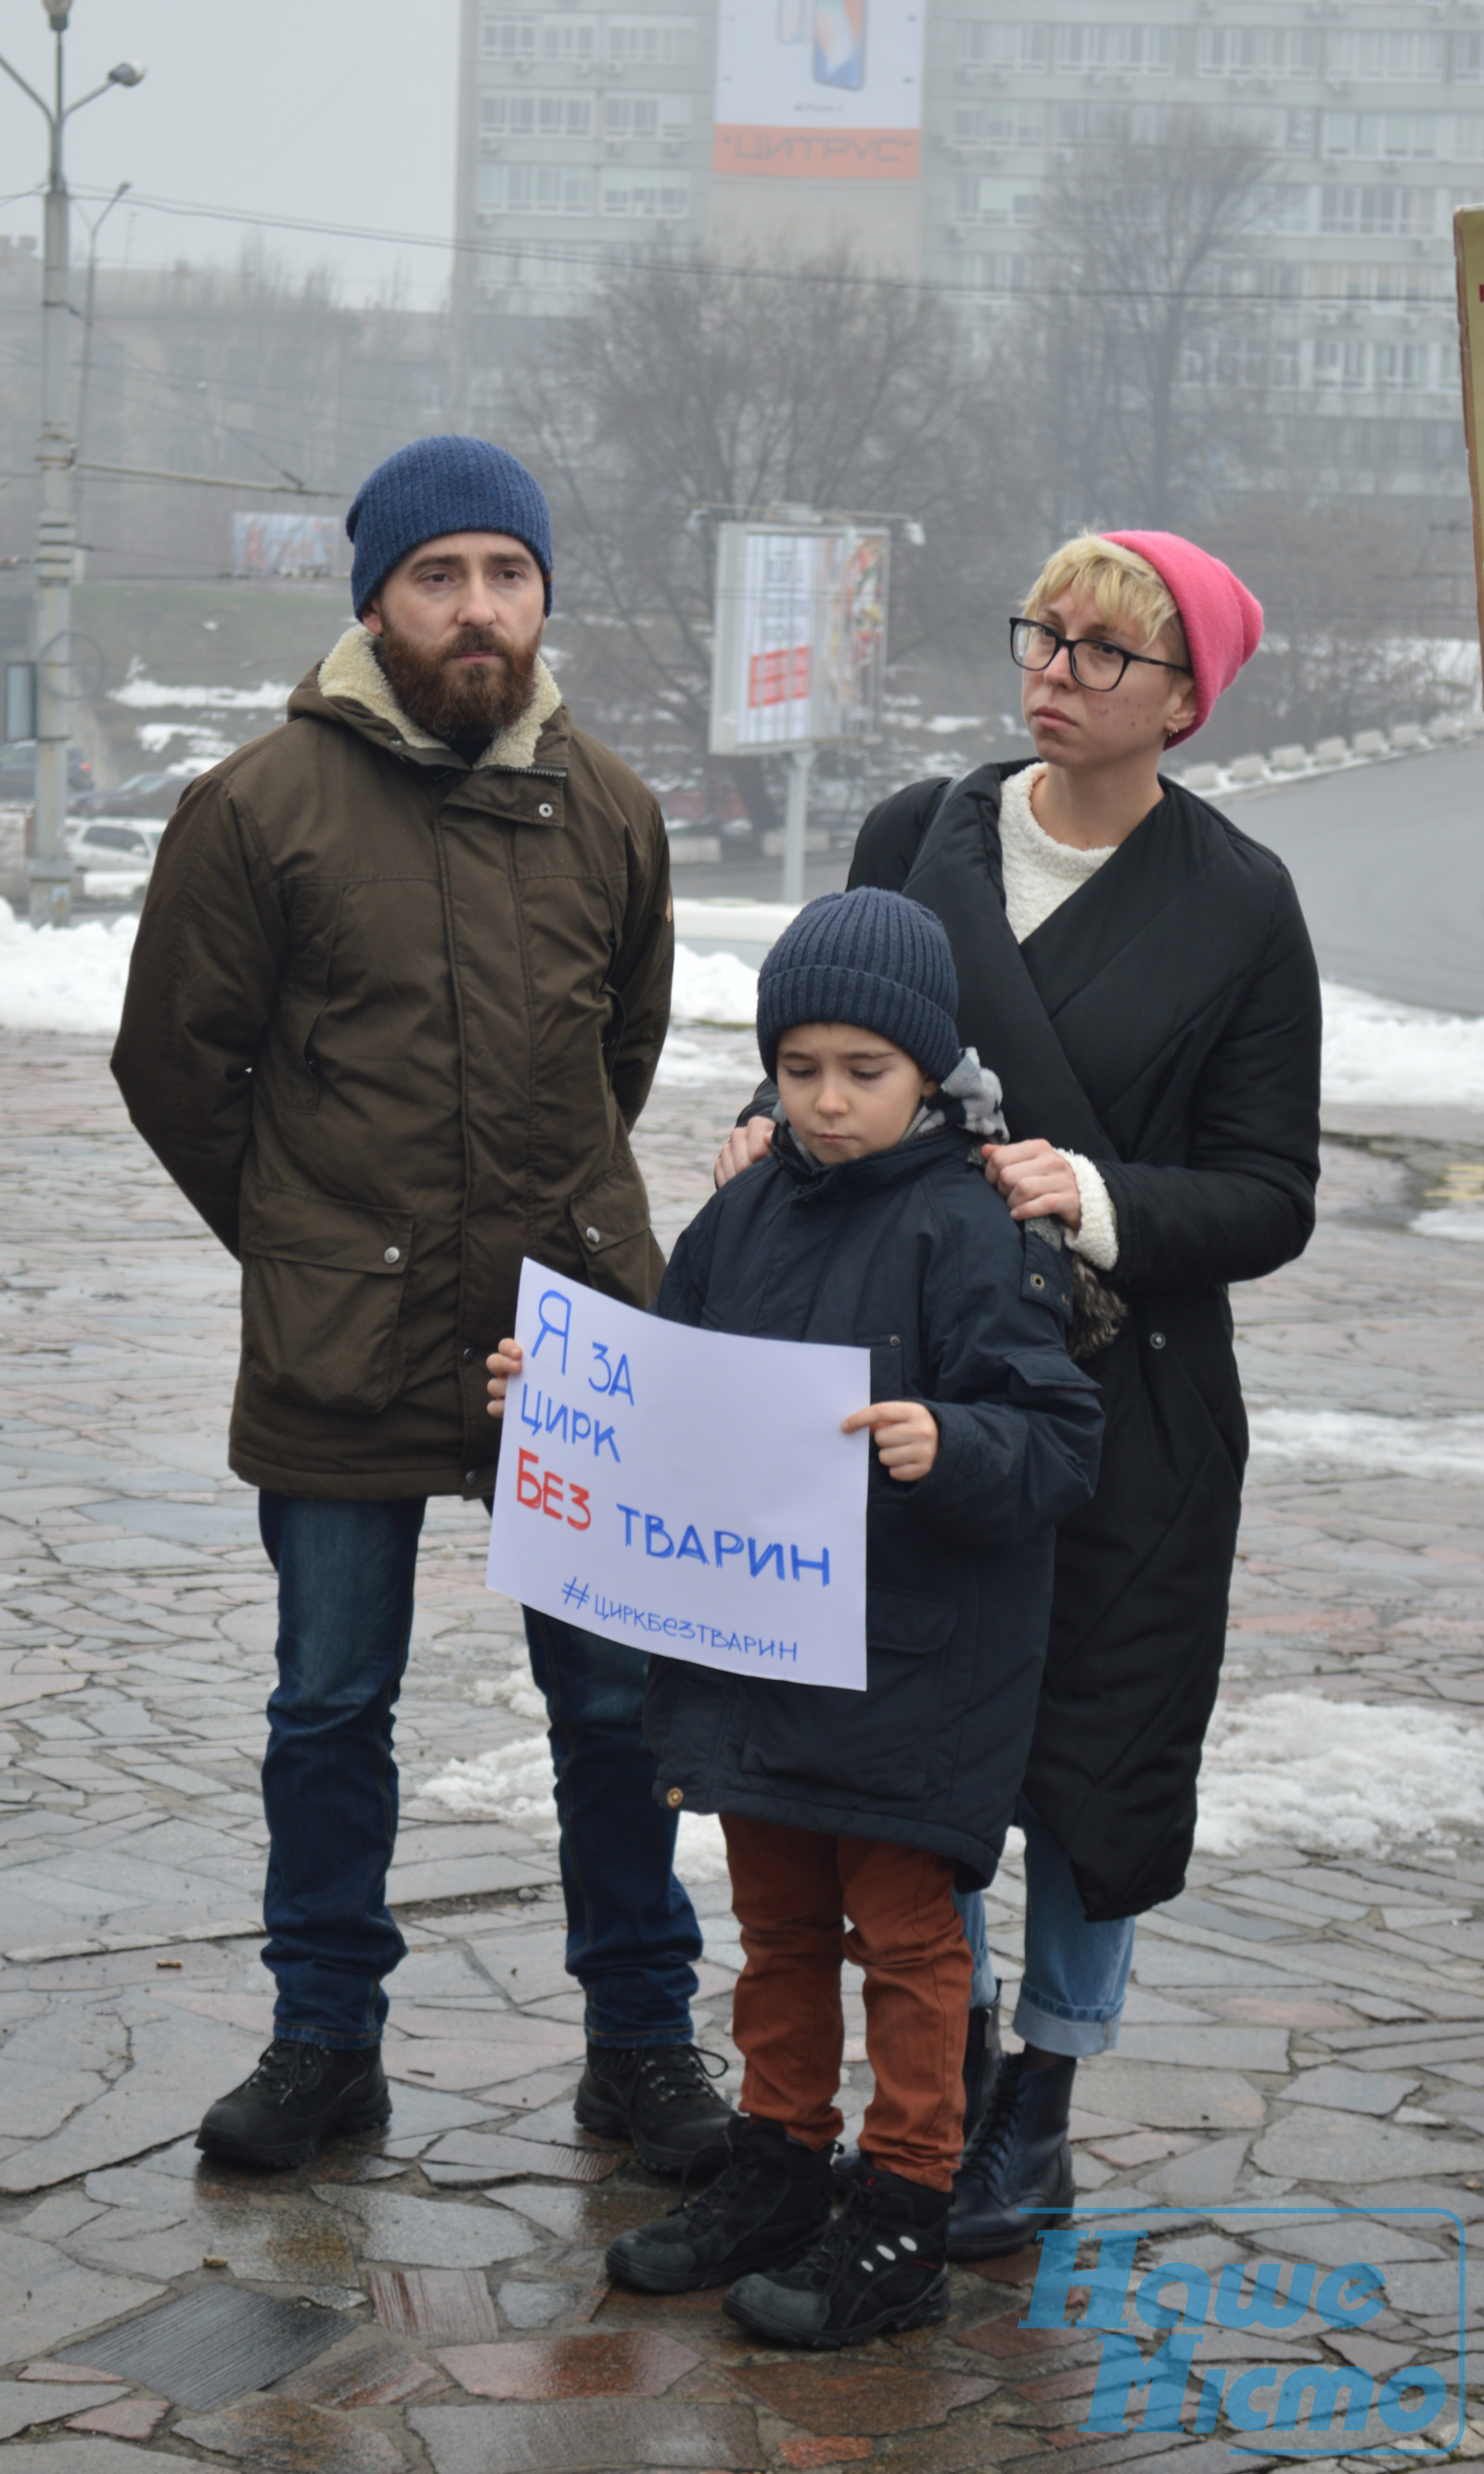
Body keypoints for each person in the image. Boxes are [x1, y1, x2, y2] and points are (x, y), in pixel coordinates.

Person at [111, 434, 733, 2175]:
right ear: (373, 599)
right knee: (328, 1704)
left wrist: (562, 1243)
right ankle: (325, 2043)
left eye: (508, 575)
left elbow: (622, 1055)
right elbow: (177, 1066)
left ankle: (640, 2041)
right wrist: (308, 1235)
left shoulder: (609, 803)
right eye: (440, 575)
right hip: (342, 1339)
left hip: (578, 1339)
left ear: (543, 598)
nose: (479, 609)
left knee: (616, 1711)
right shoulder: (256, 808)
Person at [716, 531, 1323, 2256]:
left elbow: (1273, 1193)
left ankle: (1038, 2102)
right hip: (919, 1382)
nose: (1050, 668)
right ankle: (937, 2074)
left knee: (1091, 1755)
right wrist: (780, 1126)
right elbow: (840, 1033)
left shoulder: (1239, 900)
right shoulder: (920, 834)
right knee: (923, 1740)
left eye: (1099, 653)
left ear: (1186, 702)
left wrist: (1097, 1197)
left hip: (1130, 1409)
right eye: (1041, 635)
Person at [494, 888, 1103, 2348]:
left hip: (916, 1669)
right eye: (801, 1068)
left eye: (865, 1072)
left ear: (929, 1069)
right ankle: (776, 2166)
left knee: (905, 1942)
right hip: (756, 1657)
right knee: (772, 1932)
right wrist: (561, 1405)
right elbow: (673, 1381)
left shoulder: (978, 1225)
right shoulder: (744, 1210)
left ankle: (903, 2204)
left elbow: (1059, 1432)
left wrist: (951, 1445)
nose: (827, 1102)